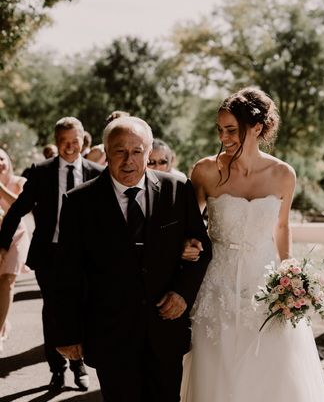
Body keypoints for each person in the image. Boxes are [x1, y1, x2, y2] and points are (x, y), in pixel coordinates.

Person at [180, 87, 324, 401]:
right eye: (221, 130)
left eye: (232, 130)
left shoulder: (282, 174)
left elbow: (282, 226)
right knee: (216, 367)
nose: (224, 137)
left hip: (265, 287)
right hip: (215, 285)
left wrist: (290, 275)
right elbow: (188, 226)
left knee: (269, 370)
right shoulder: (205, 170)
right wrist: (188, 244)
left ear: (257, 128)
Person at [53, 116, 212, 402]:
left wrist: (183, 293)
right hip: (110, 333)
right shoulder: (79, 202)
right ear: (106, 152)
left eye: (137, 151)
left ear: (149, 152)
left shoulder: (177, 190)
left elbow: (203, 251)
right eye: (119, 151)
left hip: (165, 331)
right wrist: (66, 332)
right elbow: (66, 273)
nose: (129, 160)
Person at [0, 117, 103, 391]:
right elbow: (18, 209)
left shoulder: (97, 172)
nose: (70, 148)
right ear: (57, 142)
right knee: (53, 312)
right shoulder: (41, 171)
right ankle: (56, 369)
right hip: (50, 254)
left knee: (82, 308)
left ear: (84, 140)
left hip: (84, 256)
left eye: (75, 142)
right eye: (64, 142)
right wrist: (2, 243)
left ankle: (78, 364)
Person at [0, 149, 29, 352]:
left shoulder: (19, 182)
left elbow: (22, 207)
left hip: (17, 237)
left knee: (7, 282)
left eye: (1, 159)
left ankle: (0, 331)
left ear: (8, 161)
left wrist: (0, 188)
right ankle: (4, 321)